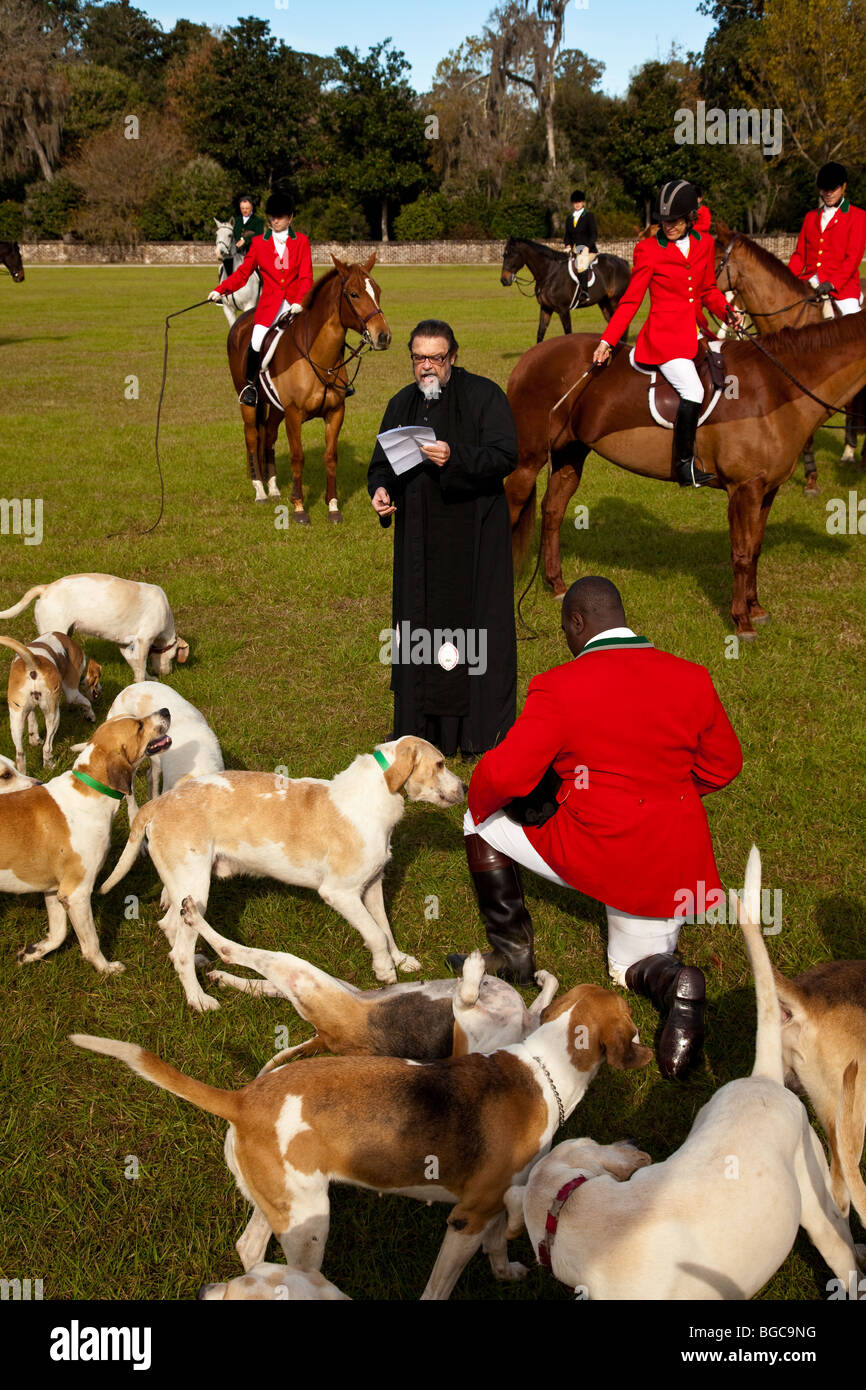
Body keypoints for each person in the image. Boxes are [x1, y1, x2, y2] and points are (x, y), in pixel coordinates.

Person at [447, 575, 742, 1079]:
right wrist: (665, 795)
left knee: (479, 818)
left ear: (577, 622)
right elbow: (725, 763)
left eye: (566, 629)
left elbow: (505, 776)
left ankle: (512, 952)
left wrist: (480, 794)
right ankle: (674, 982)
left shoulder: (559, 685)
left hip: (605, 849)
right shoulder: (692, 676)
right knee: (632, 968)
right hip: (677, 859)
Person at [367, 320, 518, 759]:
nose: (427, 366)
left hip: (473, 542)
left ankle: (475, 734)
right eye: (419, 358)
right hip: (419, 545)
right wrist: (381, 490)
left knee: (472, 634)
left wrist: (456, 456)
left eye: (435, 357)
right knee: (420, 631)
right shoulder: (401, 403)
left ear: (452, 356)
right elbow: (381, 464)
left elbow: (506, 455)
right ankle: (420, 729)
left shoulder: (484, 396)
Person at [593, 179, 743, 488]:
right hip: (664, 340)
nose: (668, 226)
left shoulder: (704, 244)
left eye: (675, 220)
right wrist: (608, 340)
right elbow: (631, 301)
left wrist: (727, 312)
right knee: (693, 391)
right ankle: (684, 466)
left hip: (696, 332)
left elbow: (708, 290)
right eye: (664, 220)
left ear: (689, 217)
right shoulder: (647, 250)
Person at [209, 190, 313, 406]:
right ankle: (251, 387)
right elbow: (242, 273)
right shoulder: (258, 243)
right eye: (273, 216)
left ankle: (336, 381)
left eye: (280, 216)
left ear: (290, 217)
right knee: (256, 342)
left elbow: (306, 277)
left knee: (323, 332)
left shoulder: (302, 241)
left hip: (296, 303)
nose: (276, 220)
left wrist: (299, 301)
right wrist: (221, 289)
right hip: (269, 306)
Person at [788, 162, 866, 317]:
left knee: (852, 320)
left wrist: (832, 283)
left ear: (843, 187)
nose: (828, 193)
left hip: (842, 288)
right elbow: (799, 257)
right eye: (824, 189)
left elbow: (853, 259)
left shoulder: (858, 216)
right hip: (809, 282)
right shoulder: (810, 217)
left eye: (833, 189)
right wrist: (785, 278)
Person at [221, 195, 264, 277]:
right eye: (242, 208)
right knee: (222, 268)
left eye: (247, 208)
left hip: (252, 254)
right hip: (236, 253)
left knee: (261, 272)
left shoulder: (258, 221)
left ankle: (261, 284)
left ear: (252, 207)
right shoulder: (236, 220)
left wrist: (245, 240)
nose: (244, 210)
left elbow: (259, 236)